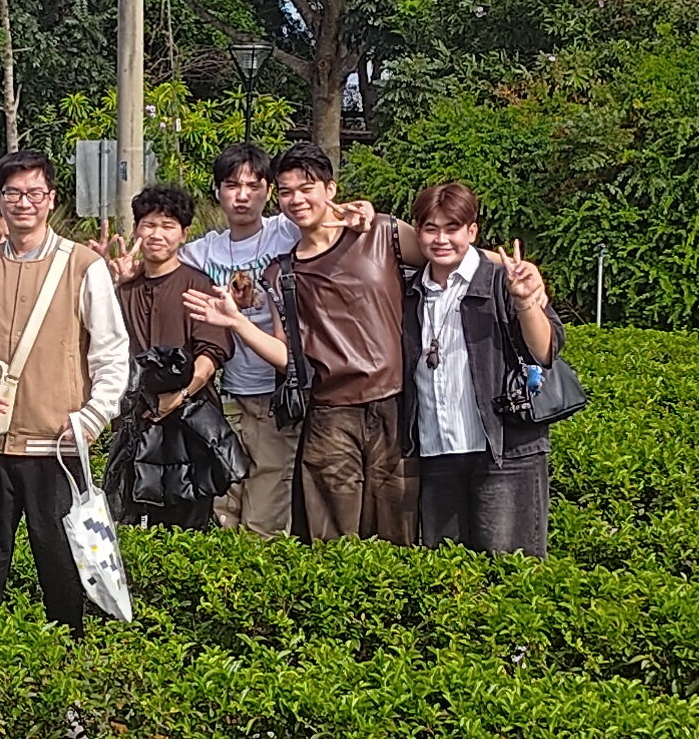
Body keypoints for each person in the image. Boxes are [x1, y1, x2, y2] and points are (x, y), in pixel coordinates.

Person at [0, 149, 131, 628]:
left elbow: (111, 352)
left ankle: (68, 672)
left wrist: (93, 417)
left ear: (51, 199)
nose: (24, 202)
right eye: (13, 193)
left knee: (62, 569)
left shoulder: (83, 266)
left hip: (55, 446)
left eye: (34, 193)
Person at [404, 185, 564, 557]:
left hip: (504, 453)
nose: (441, 239)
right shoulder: (411, 290)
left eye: (452, 228)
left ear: (472, 232)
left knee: (510, 571)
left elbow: (545, 350)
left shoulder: (501, 282)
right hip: (437, 453)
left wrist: (524, 302)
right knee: (449, 574)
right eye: (430, 229)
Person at [271, 147, 421, 545]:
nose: (297, 200)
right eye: (286, 192)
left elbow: (447, 256)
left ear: (330, 188)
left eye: (307, 188)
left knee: (400, 526)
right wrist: (234, 321)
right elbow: (286, 351)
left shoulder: (382, 232)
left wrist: (509, 274)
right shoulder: (284, 272)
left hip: (394, 403)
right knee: (333, 536)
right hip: (330, 412)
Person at [106, 188, 241, 533]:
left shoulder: (198, 285)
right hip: (136, 422)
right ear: (136, 230)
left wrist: (177, 397)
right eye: (148, 225)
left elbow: (211, 355)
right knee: (130, 519)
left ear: (184, 233)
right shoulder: (123, 291)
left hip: (189, 425)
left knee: (188, 520)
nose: (156, 234)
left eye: (168, 226)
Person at [183, 148, 302, 537]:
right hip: (228, 396)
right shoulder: (201, 252)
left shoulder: (286, 233)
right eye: (232, 185)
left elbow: (333, 221)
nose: (242, 195)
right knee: (224, 511)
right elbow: (159, 266)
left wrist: (360, 212)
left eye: (254, 186)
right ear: (217, 191)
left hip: (275, 397)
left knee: (264, 519)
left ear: (268, 191)